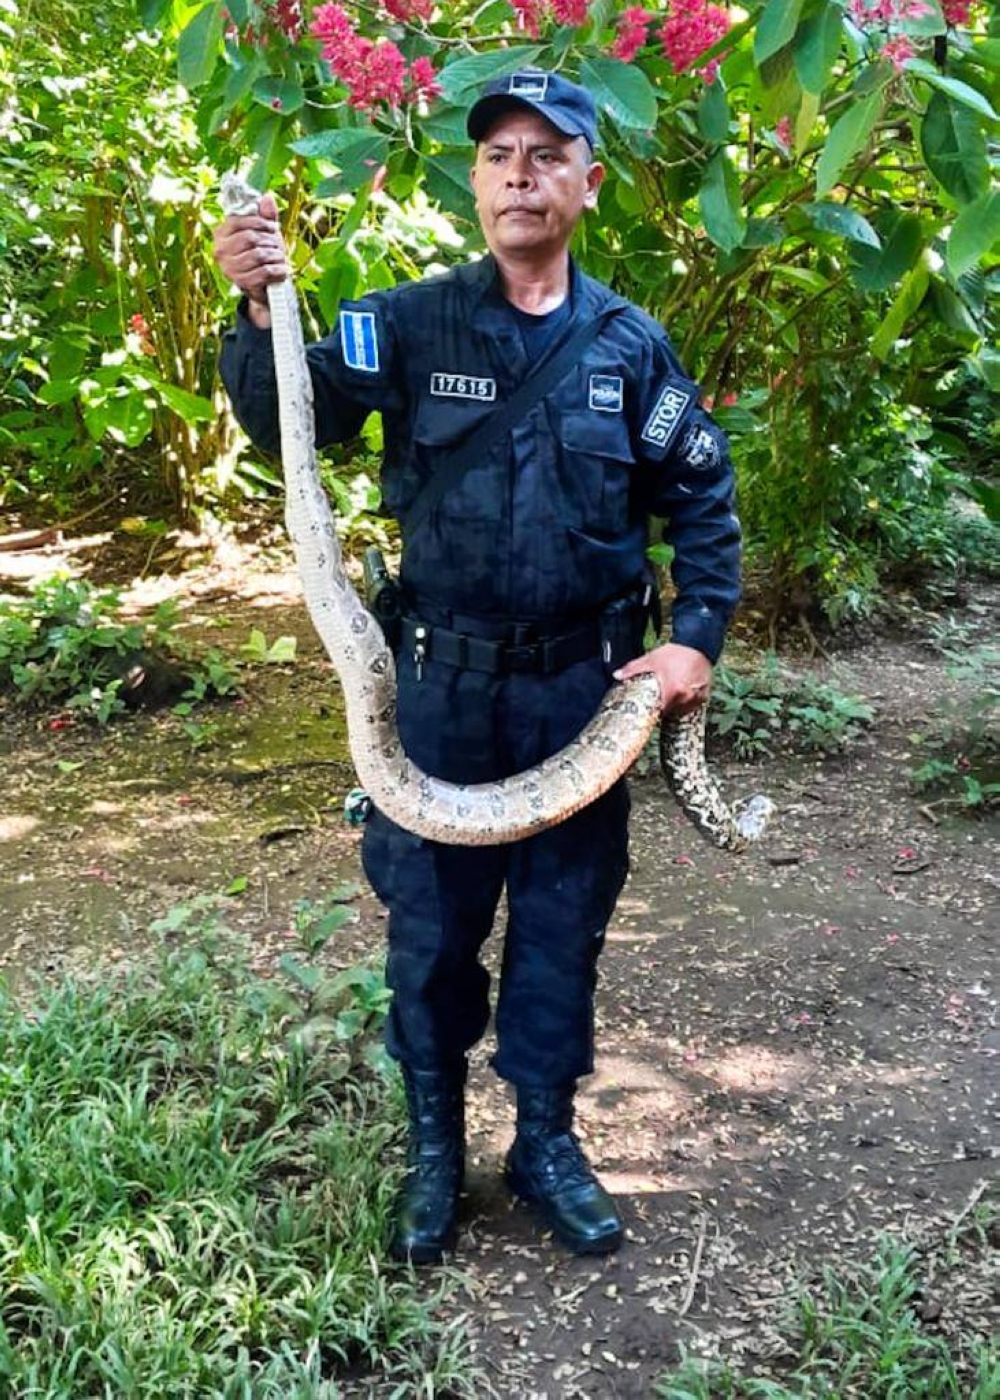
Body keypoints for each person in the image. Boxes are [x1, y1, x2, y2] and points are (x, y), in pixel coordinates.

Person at [214, 68, 741, 1264]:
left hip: (583, 696)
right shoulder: (401, 322)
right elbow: (291, 414)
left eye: (546, 152)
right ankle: (435, 1148)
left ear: (587, 183)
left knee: (562, 927)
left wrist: (691, 638)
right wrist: (257, 313)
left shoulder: (630, 348)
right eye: (497, 151)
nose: (519, 171)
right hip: (437, 693)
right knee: (433, 930)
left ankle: (545, 1141)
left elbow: (703, 501)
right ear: (473, 178)